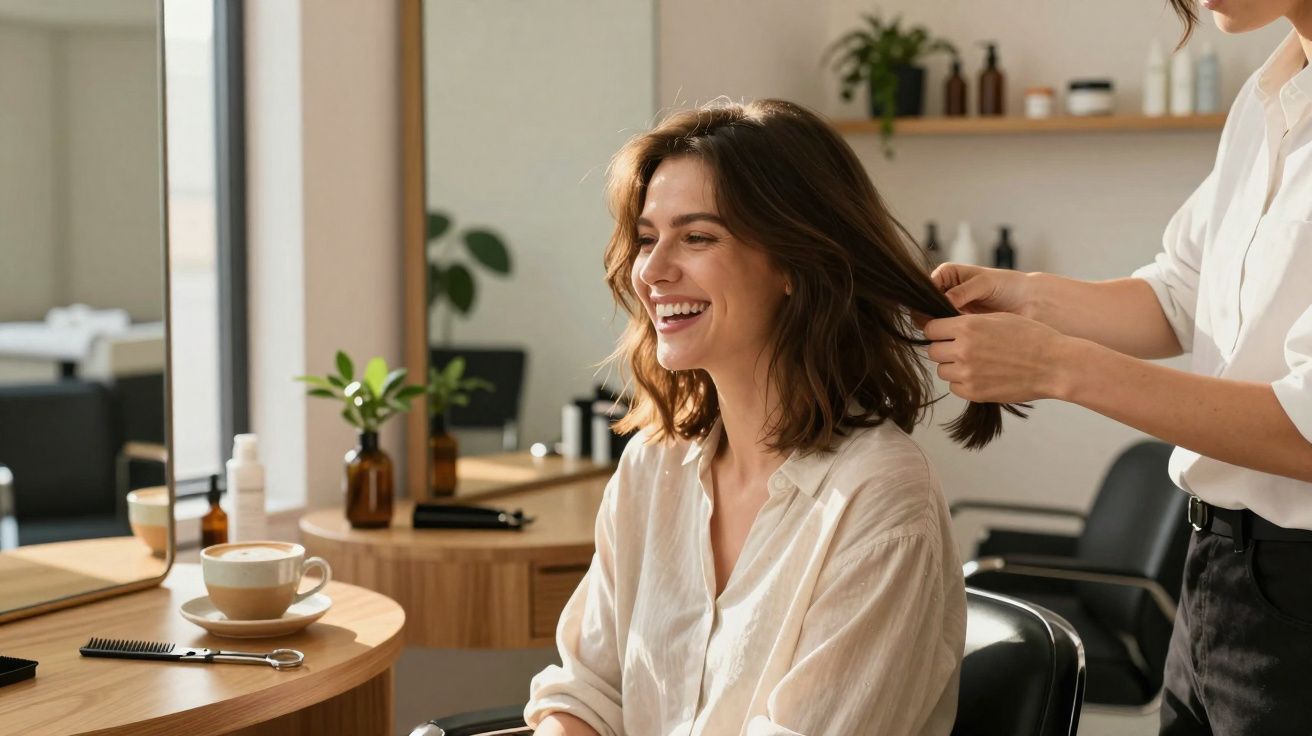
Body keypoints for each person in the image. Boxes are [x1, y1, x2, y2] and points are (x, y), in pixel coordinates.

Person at [524, 99, 1024, 736]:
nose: (650, 270)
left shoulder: (879, 496)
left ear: (794, 262)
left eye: (697, 237)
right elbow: (588, 690)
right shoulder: (653, 468)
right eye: (648, 238)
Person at [922, 2, 1312, 733]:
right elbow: (1180, 296)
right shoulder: (1270, 99)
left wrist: (1056, 366)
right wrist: (1025, 296)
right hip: (1212, 580)